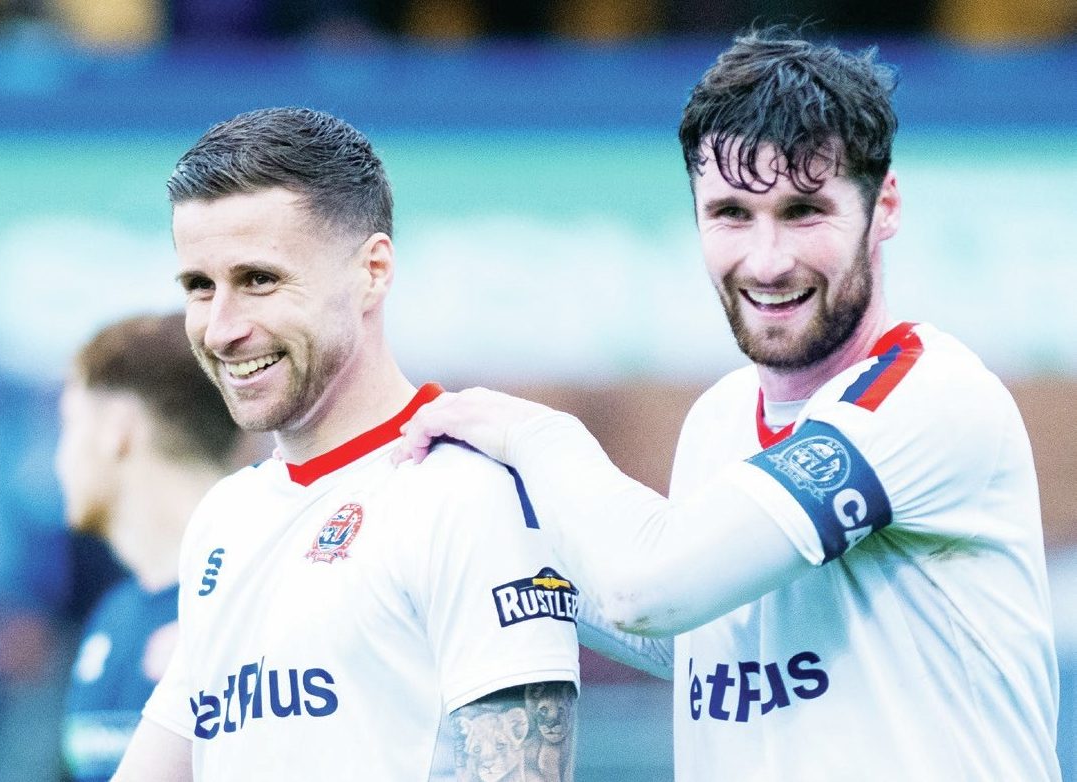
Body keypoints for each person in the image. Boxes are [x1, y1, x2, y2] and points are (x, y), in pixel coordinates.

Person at [396, 27, 1062, 780]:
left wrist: (531, 433)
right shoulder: (720, 416)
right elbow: (703, 634)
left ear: (886, 207)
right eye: (732, 214)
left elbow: (648, 589)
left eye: (805, 211)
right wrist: (480, 534)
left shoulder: (927, 398)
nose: (768, 260)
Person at [112, 107, 580, 780]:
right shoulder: (225, 519)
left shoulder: (464, 495)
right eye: (199, 287)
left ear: (373, 270)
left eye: (259, 280)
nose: (220, 330)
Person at [56, 312, 242, 781]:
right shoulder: (114, 616)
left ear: (116, 427)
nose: (59, 459)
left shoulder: (262, 602)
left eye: (68, 423)